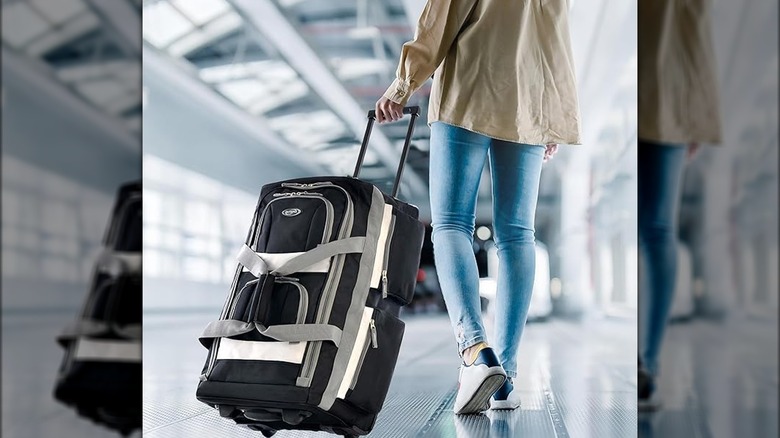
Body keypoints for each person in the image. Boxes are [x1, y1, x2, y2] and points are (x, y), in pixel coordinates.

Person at [376, 1, 580, 414]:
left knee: (451, 224)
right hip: (530, 100)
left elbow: (439, 20)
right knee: (518, 234)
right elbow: (553, 35)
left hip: (467, 90)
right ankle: (504, 378)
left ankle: (474, 351)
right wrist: (553, 115)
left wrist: (401, 85)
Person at [637, 0, 721, 410]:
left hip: (640, 93)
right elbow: (696, 35)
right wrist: (698, 117)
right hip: (666, 98)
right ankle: (647, 365)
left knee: (651, 229)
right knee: (657, 229)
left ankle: (645, 364)